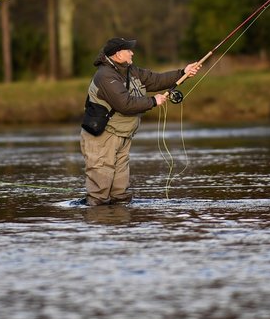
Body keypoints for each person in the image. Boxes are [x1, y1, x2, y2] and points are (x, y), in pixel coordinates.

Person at [80, 37, 202, 206]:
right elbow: (125, 104)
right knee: (99, 192)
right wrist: (153, 101)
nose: (132, 52)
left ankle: (120, 223)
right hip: (103, 136)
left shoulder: (131, 70)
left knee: (119, 193)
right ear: (117, 55)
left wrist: (183, 73)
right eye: (128, 50)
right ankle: (100, 225)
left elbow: (156, 80)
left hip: (122, 134)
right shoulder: (105, 76)